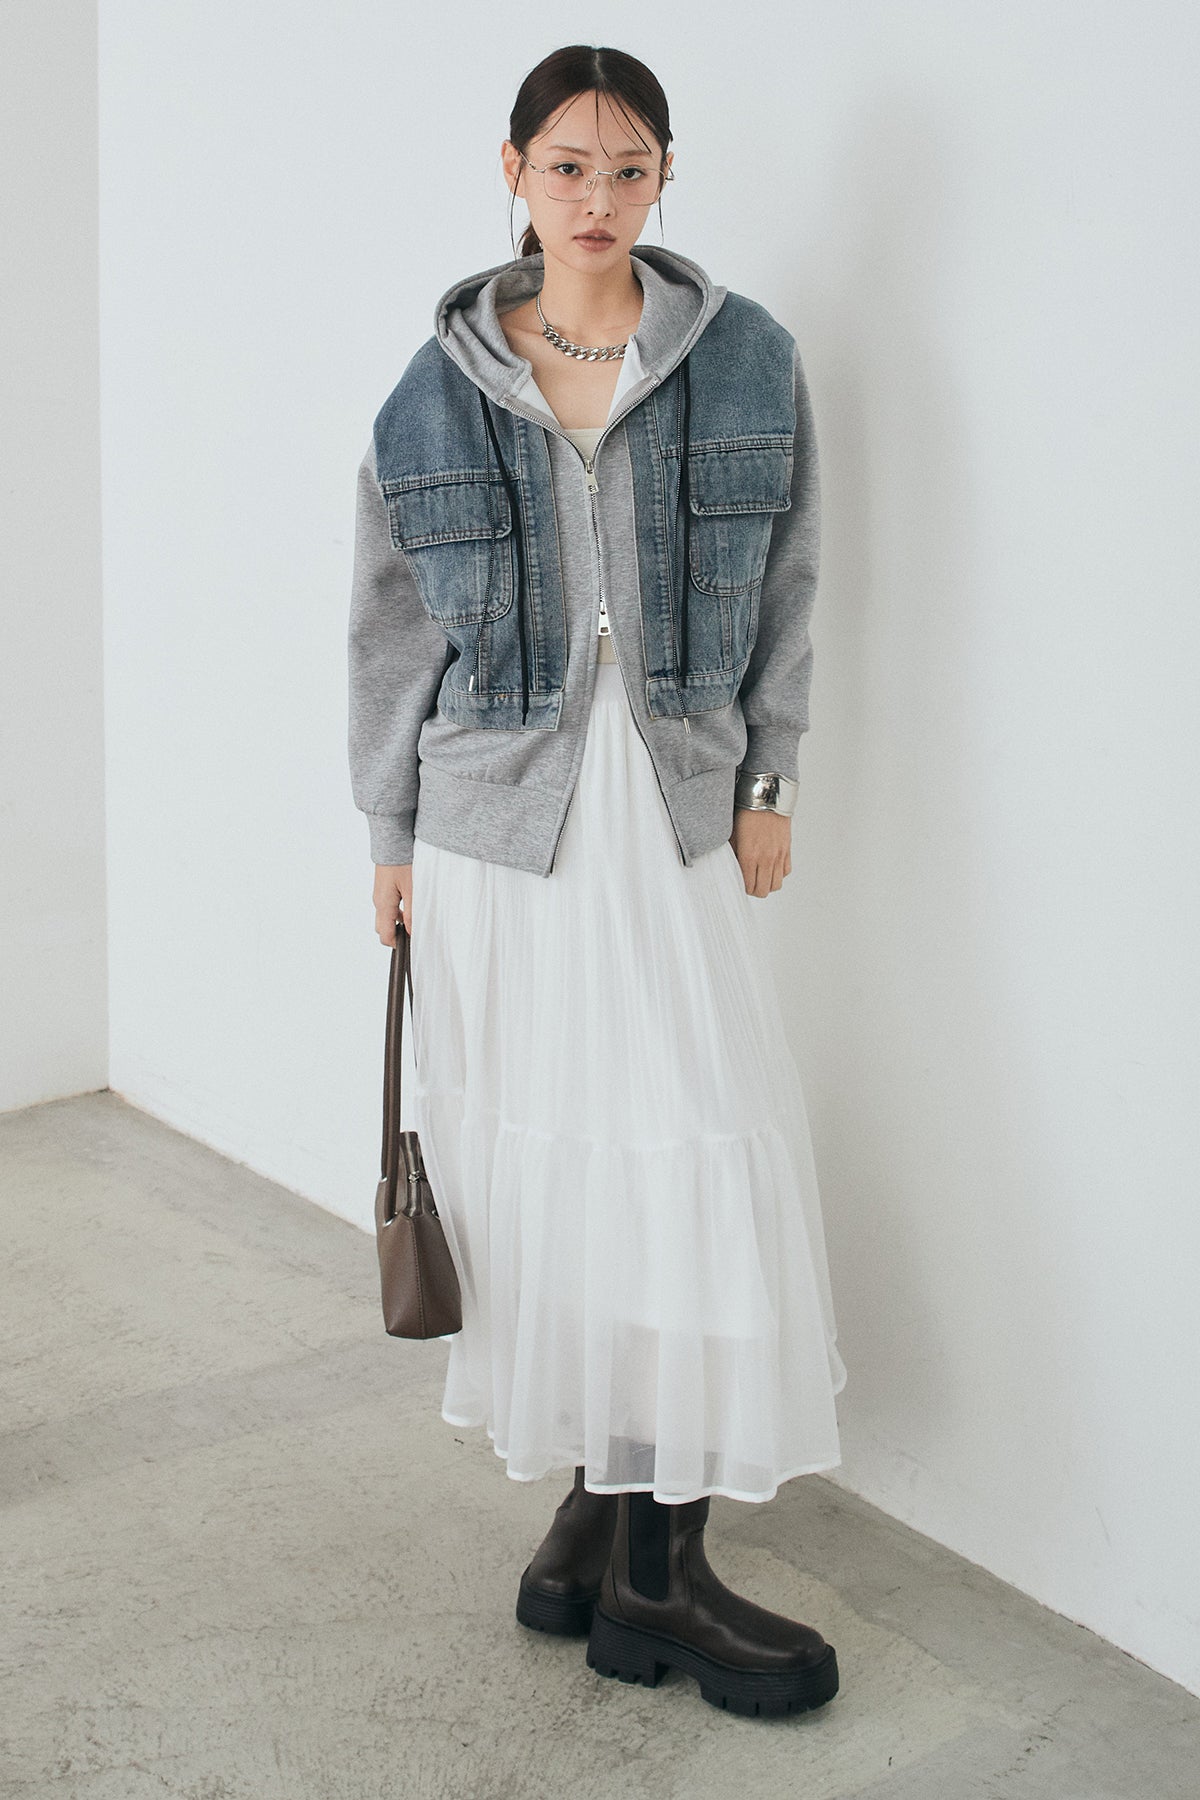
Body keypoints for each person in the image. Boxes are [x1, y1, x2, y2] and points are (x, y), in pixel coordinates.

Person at [347, 43, 848, 1719]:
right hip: (497, 831)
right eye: (567, 166)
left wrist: (771, 778)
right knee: (556, 1162)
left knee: (690, 1135)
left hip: (677, 799)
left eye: (629, 169)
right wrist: (389, 840)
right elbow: (389, 636)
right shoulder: (435, 391)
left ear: (664, 178)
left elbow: (792, 583)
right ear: (514, 171)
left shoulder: (745, 356)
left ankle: (632, 1555)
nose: (597, 198)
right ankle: (614, 1549)